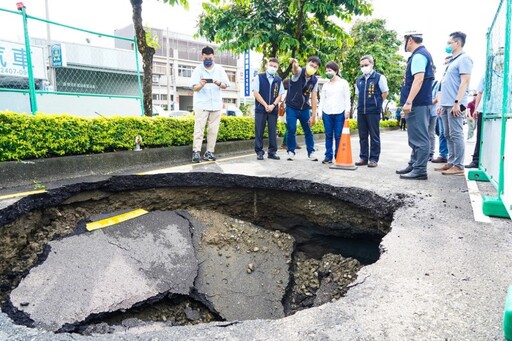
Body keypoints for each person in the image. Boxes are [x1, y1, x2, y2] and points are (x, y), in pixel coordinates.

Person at [395, 31, 434, 180]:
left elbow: (418, 80)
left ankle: (420, 170)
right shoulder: (420, 55)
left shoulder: (419, 55)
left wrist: (409, 101)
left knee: (420, 137)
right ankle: (414, 164)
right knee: (414, 137)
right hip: (418, 103)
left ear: (410, 40)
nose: (403, 44)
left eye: (403, 40)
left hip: (418, 103)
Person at [435, 32, 473, 175]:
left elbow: (465, 82)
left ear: (457, 43)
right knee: (447, 133)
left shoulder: (464, 59)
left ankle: (459, 166)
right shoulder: (452, 61)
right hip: (445, 104)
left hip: (455, 104)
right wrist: (440, 104)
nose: (447, 45)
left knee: (456, 134)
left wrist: (457, 102)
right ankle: (451, 161)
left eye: (449, 42)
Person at [190, 46, 230, 163]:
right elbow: (194, 87)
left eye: (210, 58)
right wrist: (201, 85)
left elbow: (226, 85)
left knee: (213, 130)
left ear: (214, 57)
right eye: (205, 58)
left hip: (216, 104)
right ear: (202, 57)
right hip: (202, 104)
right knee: (199, 129)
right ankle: (196, 152)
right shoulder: (198, 70)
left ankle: (209, 152)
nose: (208, 60)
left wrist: (219, 83)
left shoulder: (219, 69)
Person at [354, 55, 389, 167]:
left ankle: (373, 159)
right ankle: (363, 158)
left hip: (373, 111)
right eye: (362, 66)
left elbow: (385, 92)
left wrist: (377, 104)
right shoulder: (359, 80)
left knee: (374, 136)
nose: (364, 67)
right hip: (361, 111)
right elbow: (358, 95)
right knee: (362, 136)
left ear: (372, 64)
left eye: (366, 65)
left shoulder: (379, 77)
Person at [285, 56, 321, 161]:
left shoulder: (314, 80)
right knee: (291, 129)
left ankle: (311, 152)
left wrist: (313, 115)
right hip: (292, 107)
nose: (312, 68)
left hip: (305, 108)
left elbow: (314, 98)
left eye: (315, 67)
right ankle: (291, 151)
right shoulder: (299, 72)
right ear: (306, 64)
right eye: (311, 65)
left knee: (308, 130)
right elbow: (295, 69)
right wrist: (295, 63)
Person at [319, 61, 351, 164]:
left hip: (339, 112)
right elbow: (322, 100)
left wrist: (347, 110)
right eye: (327, 71)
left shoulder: (343, 83)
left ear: (336, 71)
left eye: (330, 70)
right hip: (327, 113)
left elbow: (347, 98)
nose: (328, 72)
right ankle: (328, 156)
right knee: (328, 135)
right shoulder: (325, 85)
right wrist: (320, 113)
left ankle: (338, 155)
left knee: (338, 135)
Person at [253, 58, 285, 160]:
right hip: (260, 109)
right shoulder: (259, 77)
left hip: (273, 110)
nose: (272, 68)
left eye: (275, 66)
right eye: (271, 65)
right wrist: (265, 104)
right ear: (267, 65)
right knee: (259, 131)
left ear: (277, 68)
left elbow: (280, 95)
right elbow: (256, 93)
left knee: (272, 131)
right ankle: (259, 152)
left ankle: (272, 152)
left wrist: (273, 105)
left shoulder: (278, 80)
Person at [431, 55, 452, 164]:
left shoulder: (451, 77)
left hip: (449, 107)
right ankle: (443, 155)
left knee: (449, 133)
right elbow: (438, 94)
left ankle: (452, 159)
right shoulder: (441, 80)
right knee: (442, 133)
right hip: (440, 109)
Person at [465, 77, 484, 168]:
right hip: (484, 110)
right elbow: (480, 93)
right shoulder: (486, 74)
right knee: (480, 136)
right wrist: (476, 109)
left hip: (502, 110)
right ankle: (476, 159)